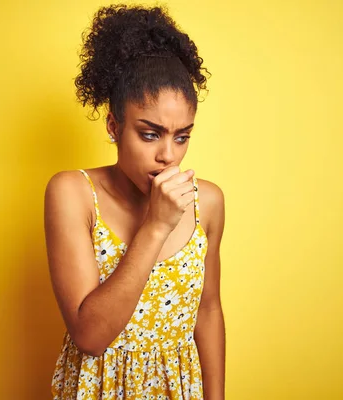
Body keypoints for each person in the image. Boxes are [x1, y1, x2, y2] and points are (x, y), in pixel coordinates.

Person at [45, 4, 226, 399]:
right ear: (114, 126)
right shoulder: (73, 194)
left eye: (182, 137)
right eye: (150, 134)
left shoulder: (206, 202)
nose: (168, 156)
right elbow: (90, 336)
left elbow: (207, 310)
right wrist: (156, 225)